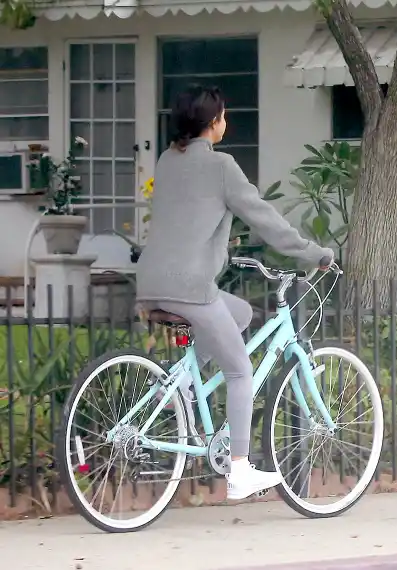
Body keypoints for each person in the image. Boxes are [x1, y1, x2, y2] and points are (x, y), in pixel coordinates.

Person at [135, 85, 334, 500]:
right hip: (190, 286)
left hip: (152, 283)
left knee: (240, 313)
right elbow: (266, 220)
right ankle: (240, 471)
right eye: (223, 115)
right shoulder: (222, 165)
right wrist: (314, 253)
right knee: (241, 371)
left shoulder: (168, 161)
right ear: (214, 123)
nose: (226, 122)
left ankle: (180, 388)